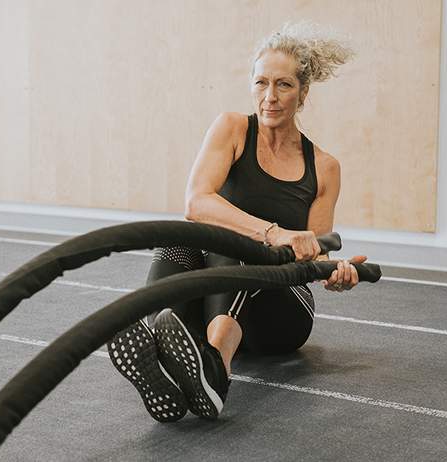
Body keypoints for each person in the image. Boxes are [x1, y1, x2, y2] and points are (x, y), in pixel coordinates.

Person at [108, 22, 365, 423]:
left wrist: (335, 274)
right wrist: (273, 231)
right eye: (261, 83)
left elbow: (309, 259)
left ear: (304, 93)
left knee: (243, 251)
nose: (270, 97)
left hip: (280, 313)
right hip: (217, 294)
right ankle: (160, 351)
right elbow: (196, 203)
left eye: (284, 85)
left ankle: (215, 371)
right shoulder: (231, 129)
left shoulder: (325, 167)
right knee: (182, 239)